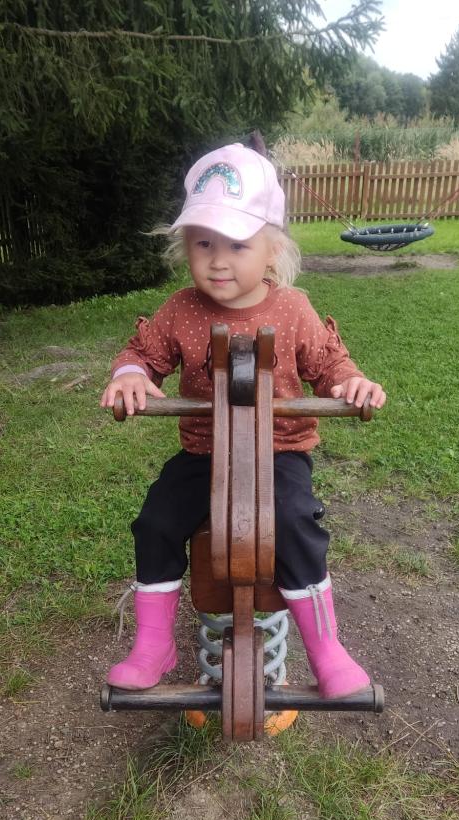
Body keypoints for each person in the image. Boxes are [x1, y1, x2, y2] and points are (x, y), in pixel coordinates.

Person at [100, 143, 386, 698]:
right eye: (203, 242)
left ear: (272, 248)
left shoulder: (293, 309)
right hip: (205, 454)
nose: (218, 260)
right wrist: (131, 375)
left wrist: (349, 383)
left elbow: (329, 364)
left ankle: (326, 649)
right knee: (156, 522)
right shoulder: (180, 309)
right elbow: (143, 353)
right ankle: (153, 645)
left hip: (278, 452)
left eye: (237, 243)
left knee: (295, 521)